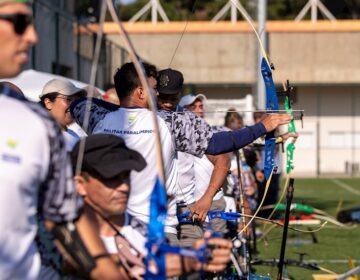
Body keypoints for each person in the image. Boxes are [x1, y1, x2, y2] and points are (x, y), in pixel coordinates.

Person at [70, 62, 294, 244]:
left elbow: (77, 103)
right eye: (152, 89)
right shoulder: (168, 122)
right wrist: (262, 127)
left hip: (110, 229)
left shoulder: (97, 118)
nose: (157, 94)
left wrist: (122, 107)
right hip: (157, 232)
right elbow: (219, 143)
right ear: (140, 92)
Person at [0, 1, 122, 279]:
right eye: (19, 22)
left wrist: (108, 271)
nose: (32, 37)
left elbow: (67, 216)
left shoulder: (38, 124)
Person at [71, 133, 233, 278]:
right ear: (80, 184)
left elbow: (157, 261)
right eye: (111, 177)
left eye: (126, 176)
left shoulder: (141, 231)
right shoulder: (61, 231)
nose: (124, 186)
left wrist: (193, 258)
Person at [39, 78, 87, 151]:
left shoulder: (74, 134)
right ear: (48, 103)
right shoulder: (40, 134)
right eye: (68, 99)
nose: (74, 105)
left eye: (77, 100)